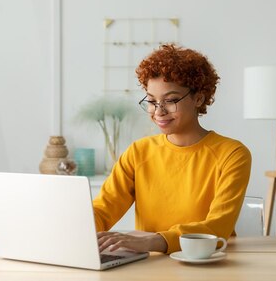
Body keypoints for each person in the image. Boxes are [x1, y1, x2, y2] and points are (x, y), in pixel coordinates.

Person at [94, 44, 252, 254]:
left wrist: (151, 242)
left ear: (198, 98)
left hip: (208, 263)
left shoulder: (232, 154)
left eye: (170, 100)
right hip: (152, 266)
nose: (158, 111)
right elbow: (104, 210)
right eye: (151, 101)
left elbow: (217, 226)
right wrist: (75, 230)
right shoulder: (138, 152)